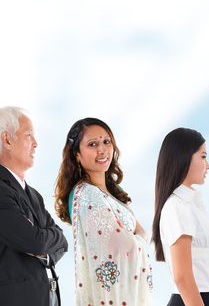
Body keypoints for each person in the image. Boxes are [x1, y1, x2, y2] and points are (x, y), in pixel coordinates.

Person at [53, 117, 152, 305]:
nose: (102, 149)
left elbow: (142, 233)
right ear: (77, 154)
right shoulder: (87, 195)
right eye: (92, 144)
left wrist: (136, 237)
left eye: (106, 142)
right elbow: (125, 245)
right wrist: (137, 238)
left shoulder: (112, 194)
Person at [0, 106, 68, 306]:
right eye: (28, 135)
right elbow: (35, 242)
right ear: (7, 140)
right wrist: (43, 241)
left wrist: (45, 244)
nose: (36, 143)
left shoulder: (33, 194)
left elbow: (62, 241)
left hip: (46, 298)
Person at [151, 128, 209, 306]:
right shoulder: (177, 206)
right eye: (203, 157)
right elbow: (182, 278)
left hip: (203, 297)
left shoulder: (191, 204)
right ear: (183, 158)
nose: (208, 165)